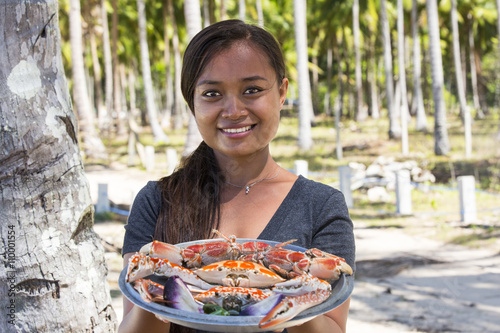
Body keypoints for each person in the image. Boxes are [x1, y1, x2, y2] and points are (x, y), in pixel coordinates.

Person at [119, 19, 355, 333]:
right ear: (193, 103)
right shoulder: (157, 201)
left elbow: (333, 325)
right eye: (212, 93)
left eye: (252, 90)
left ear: (282, 92)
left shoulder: (322, 205)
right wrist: (160, 285)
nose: (233, 110)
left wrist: (296, 293)